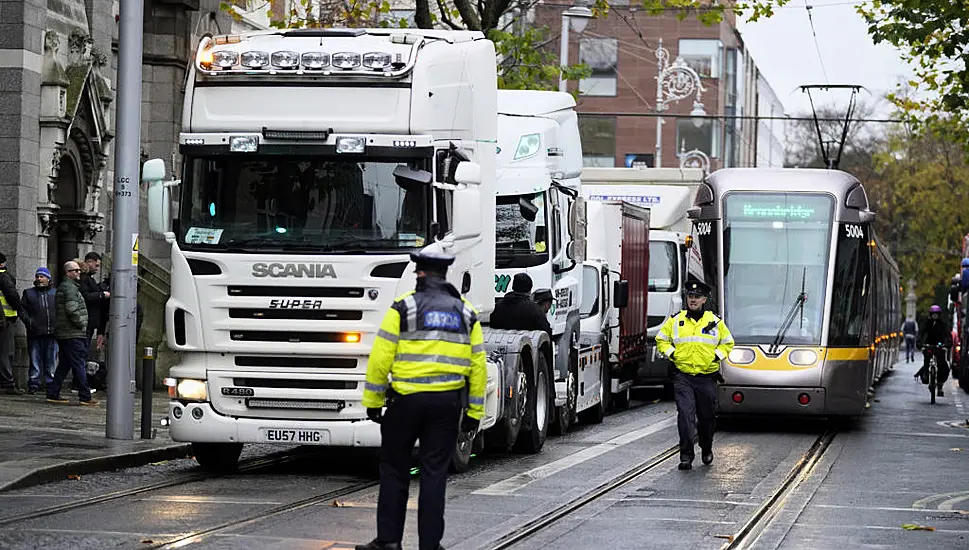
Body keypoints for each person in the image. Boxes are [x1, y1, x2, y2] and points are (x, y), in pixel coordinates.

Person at [356, 249, 486, 550]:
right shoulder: (466, 313)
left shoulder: (404, 308)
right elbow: (477, 366)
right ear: (445, 275)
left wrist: (373, 402)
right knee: (434, 474)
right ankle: (430, 545)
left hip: (406, 403)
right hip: (446, 405)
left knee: (394, 471)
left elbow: (380, 359)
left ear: (420, 274)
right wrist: (474, 412)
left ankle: (389, 541)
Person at [655, 279, 734, 471]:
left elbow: (728, 343)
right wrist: (672, 353)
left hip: (706, 378)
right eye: (690, 296)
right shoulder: (676, 320)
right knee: (685, 416)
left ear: (704, 300)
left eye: (697, 297)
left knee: (706, 418)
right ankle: (686, 455)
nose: (693, 300)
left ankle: (706, 446)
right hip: (683, 377)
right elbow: (661, 340)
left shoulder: (715, 322)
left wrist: (716, 356)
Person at [47, 261, 97, 406]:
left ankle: (53, 392)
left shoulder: (69, 287)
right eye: (76, 271)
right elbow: (72, 309)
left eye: (79, 271)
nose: (79, 273)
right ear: (69, 272)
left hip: (67, 333)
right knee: (79, 363)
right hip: (72, 333)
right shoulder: (70, 288)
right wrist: (82, 323)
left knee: (64, 364)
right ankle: (85, 396)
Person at [21, 267, 58, 394]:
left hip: (52, 332)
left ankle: (50, 384)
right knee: (35, 360)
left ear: (48, 278)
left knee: (51, 361)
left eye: (42, 276)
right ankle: (33, 384)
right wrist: (29, 322)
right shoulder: (29, 293)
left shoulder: (55, 293)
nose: (39, 279)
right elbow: (22, 310)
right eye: (37, 276)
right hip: (35, 332)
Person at [489, 273, 552, 337]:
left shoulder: (497, 307)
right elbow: (546, 334)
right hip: (528, 346)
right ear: (529, 290)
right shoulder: (535, 310)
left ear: (513, 287)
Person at [915, 304, 951, 397]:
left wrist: (947, 343)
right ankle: (926, 374)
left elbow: (947, 335)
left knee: (942, 364)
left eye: (936, 314)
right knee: (927, 358)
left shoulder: (942, 324)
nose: (935, 316)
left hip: (939, 346)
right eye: (933, 314)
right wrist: (919, 342)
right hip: (929, 345)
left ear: (939, 315)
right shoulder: (927, 323)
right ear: (930, 314)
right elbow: (921, 333)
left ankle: (940, 385)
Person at [0, 252, 23, 394]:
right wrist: (19, 307)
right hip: (5, 319)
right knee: (5, 352)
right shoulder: (4, 276)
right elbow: (12, 296)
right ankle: (7, 383)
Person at [79, 252, 110, 351]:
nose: (97, 269)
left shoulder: (88, 279)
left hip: (90, 321)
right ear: (89, 262)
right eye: (96, 265)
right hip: (86, 321)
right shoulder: (84, 278)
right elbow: (86, 296)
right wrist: (102, 295)